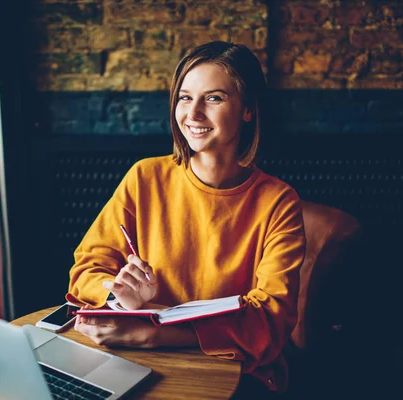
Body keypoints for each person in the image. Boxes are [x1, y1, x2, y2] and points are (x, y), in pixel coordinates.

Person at [66, 41, 305, 397]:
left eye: (214, 98)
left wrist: (153, 332)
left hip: (236, 369)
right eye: (184, 97)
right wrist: (121, 294)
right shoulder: (144, 177)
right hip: (140, 359)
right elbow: (86, 270)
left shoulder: (278, 202)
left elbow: (268, 322)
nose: (192, 115)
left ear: (248, 110)